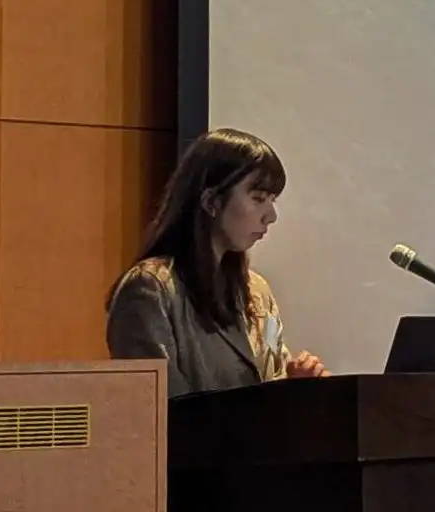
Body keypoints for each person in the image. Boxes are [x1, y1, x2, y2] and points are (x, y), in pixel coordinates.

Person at [106, 127, 328, 397]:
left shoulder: (257, 290)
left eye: (272, 200)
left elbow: (271, 378)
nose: (270, 215)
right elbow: (161, 411)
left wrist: (297, 385)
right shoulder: (151, 288)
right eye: (258, 198)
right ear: (211, 201)